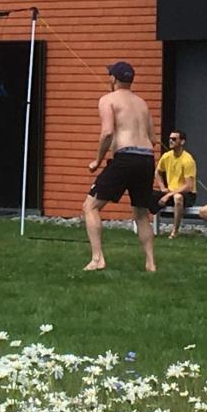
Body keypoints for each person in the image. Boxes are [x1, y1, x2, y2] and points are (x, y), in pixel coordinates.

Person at [81, 61, 159, 273]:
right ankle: (151, 264)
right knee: (141, 213)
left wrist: (97, 160)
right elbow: (153, 139)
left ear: (113, 78)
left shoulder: (107, 100)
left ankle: (97, 259)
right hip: (146, 158)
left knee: (90, 206)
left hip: (125, 157)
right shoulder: (142, 103)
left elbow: (107, 132)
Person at [153, 128, 197, 238]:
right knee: (147, 195)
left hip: (187, 194)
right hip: (169, 192)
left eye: (174, 139)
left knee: (178, 197)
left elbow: (188, 186)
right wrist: (162, 188)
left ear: (182, 142)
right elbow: (157, 172)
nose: (170, 141)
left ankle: (175, 231)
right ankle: (143, 227)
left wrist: (168, 195)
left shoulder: (188, 160)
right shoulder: (166, 156)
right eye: (170, 139)